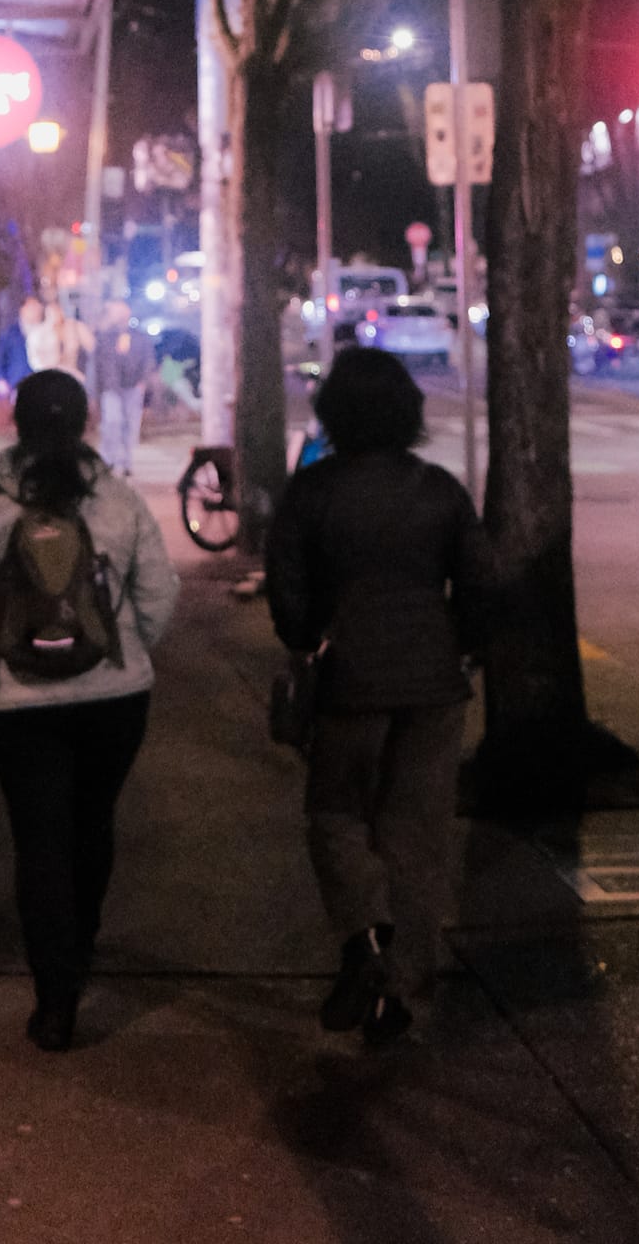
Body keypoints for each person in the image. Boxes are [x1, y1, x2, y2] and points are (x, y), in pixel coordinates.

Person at [0, 369, 180, 1051]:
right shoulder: (120, 500)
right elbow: (159, 595)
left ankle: (55, 999)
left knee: (40, 842)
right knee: (92, 824)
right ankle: (82, 946)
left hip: (19, 705)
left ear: (16, 424)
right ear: (85, 421)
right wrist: (127, 652)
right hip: (115, 701)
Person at [265, 347, 494, 1050]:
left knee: (335, 816)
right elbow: (479, 585)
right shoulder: (439, 490)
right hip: (434, 686)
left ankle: (364, 938)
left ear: (333, 412)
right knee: (416, 838)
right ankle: (402, 987)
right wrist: (463, 647)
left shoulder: (312, 491)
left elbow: (291, 599)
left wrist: (308, 639)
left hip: (350, 682)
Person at [92, 300, 155, 475]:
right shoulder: (104, 337)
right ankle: (108, 459)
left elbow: (148, 359)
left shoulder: (139, 337)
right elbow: (98, 365)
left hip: (133, 386)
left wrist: (143, 382)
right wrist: (96, 391)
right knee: (112, 422)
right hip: (111, 387)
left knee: (130, 424)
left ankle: (126, 461)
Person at [0, 297, 36, 399]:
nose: (34, 311)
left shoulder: (45, 331)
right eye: (31, 307)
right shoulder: (10, 332)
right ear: (22, 309)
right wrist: (0, 378)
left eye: (36, 307)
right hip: (17, 382)